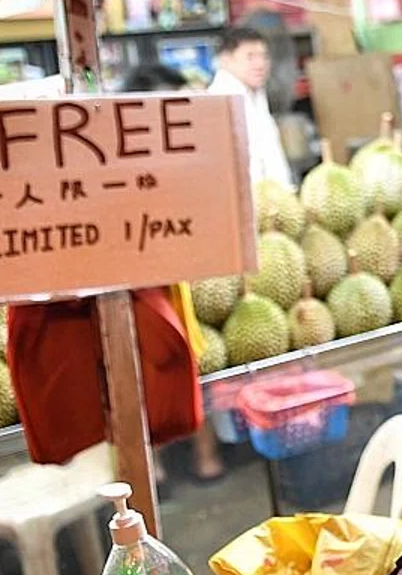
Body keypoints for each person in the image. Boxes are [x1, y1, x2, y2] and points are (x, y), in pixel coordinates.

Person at [119, 63, 228, 481]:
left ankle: (205, 454)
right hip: (137, 285)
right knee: (146, 372)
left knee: (189, 363)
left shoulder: (185, 151)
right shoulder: (120, 161)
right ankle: (152, 467)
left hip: (179, 278)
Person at [209, 25, 293, 189]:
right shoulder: (218, 102)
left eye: (264, 57)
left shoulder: (257, 96)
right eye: (250, 57)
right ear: (226, 60)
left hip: (272, 197)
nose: (260, 64)